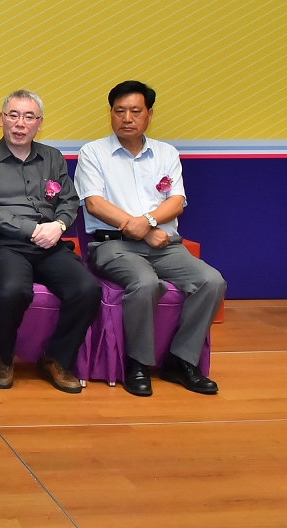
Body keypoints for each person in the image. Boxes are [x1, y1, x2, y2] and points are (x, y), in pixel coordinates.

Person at [74, 80, 226, 396]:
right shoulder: (93, 152)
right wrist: (138, 228)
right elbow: (94, 203)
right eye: (119, 111)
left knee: (212, 282)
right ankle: (137, 363)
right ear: (111, 114)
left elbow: (177, 199)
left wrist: (149, 222)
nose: (126, 118)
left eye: (135, 111)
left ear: (149, 114)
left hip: (165, 245)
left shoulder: (166, 153)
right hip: (111, 244)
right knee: (144, 282)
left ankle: (181, 361)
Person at [0, 89, 102, 394]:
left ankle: (56, 358)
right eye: (13, 115)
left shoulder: (52, 158)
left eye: (28, 117)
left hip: (50, 244)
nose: (19, 123)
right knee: (13, 289)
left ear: (39, 123)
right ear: (1, 120)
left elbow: (68, 200)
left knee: (87, 288)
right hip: (3, 246)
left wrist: (59, 224)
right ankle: (4, 357)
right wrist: (31, 229)